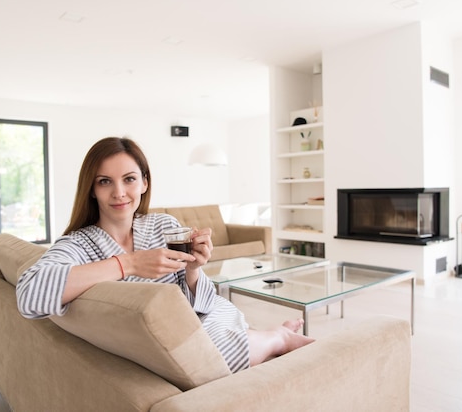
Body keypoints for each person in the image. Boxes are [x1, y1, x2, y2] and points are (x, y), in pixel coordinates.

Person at [16, 136, 314, 372]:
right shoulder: (79, 244)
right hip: (158, 345)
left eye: (129, 179)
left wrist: (194, 269)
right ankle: (277, 337)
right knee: (208, 357)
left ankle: (261, 336)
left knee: (214, 335)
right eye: (105, 181)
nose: (119, 192)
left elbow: (201, 299)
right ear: (92, 189)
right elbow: (29, 295)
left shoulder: (163, 225)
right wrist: (128, 264)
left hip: (198, 320)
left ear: (144, 183)